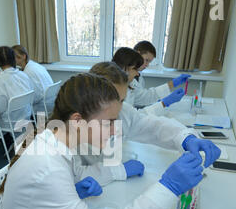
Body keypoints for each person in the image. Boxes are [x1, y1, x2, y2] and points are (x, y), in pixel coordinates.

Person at [0, 73, 216, 209]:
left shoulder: (56, 137)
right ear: (78, 120)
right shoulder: (46, 167)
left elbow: (74, 173)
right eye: (109, 122)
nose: (115, 129)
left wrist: (76, 186)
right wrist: (167, 188)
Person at [71, 61, 221, 187]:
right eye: (111, 99)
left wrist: (186, 138)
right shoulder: (71, 123)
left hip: (112, 186)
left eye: (121, 100)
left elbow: (152, 126)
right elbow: (74, 174)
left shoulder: (123, 112)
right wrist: (119, 171)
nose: (118, 108)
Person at [112, 47, 188, 115]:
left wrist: (172, 84)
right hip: (114, 129)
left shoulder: (130, 83)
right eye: (135, 69)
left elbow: (146, 96)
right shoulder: (110, 91)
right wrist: (164, 103)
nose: (137, 73)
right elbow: (134, 117)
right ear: (123, 68)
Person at [0, 46, 35, 145]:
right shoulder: (23, 75)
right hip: (26, 115)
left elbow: (1, 108)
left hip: (11, 122)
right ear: (13, 59)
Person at [133, 41, 191, 110]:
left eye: (149, 62)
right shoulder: (125, 77)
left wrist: (173, 84)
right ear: (137, 54)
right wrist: (164, 103)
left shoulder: (138, 77)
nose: (147, 65)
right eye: (146, 60)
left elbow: (143, 98)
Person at [12, 45, 54, 115]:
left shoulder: (28, 71)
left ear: (23, 56)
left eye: (15, 57)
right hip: (50, 103)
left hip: (41, 108)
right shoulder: (35, 65)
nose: (12, 59)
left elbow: (36, 96)